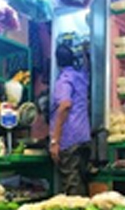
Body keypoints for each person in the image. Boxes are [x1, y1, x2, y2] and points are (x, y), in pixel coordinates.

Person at [49, 43, 91, 196]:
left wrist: (55, 141)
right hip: (83, 137)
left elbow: (65, 105)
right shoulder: (80, 77)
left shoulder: (64, 80)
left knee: (71, 184)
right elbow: (87, 68)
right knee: (82, 181)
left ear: (57, 62)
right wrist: (86, 54)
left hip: (69, 139)